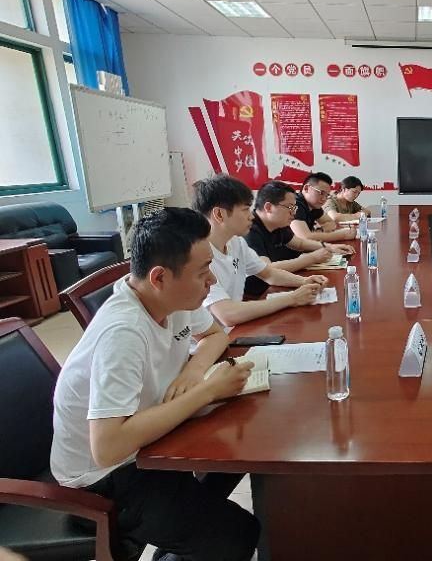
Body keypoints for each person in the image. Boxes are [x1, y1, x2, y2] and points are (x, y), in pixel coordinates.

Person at [50, 207, 260, 561]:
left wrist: (194, 371)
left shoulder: (172, 296)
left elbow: (214, 336)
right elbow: (107, 448)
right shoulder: (123, 333)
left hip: (144, 438)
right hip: (104, 477)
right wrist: (207, 391)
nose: (211, 281)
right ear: (159, 277)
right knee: (237, 536)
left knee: (243, 448)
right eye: (202, 271)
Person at [192, 174, 325, 329]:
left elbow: (269, 273)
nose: (251, 216)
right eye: (245, 210)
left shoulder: (236, 243)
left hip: (234, 330)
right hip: (216, 337)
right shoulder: (197, 257)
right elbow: (228, 314)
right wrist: (293, 298)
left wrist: (304, 281)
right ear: (219, 214)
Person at [245, 180, 355, 297]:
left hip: (277, 285)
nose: (294, 213)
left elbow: (300, 243)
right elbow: (267, 270)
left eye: (295, 208)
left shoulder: (277, 224)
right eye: (290, 207)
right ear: (268, 207)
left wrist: (330, 247)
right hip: (256, 296)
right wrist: (311, 258)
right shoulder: (249, 230)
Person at [291, 172, 358, 244]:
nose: (324, 199)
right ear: (306, 188)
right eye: (321, 193)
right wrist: (343, 235)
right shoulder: (294, 203)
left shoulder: (314, 206)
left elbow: (331, 223)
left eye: (327, 195)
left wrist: (320, 230)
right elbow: (305, 238)